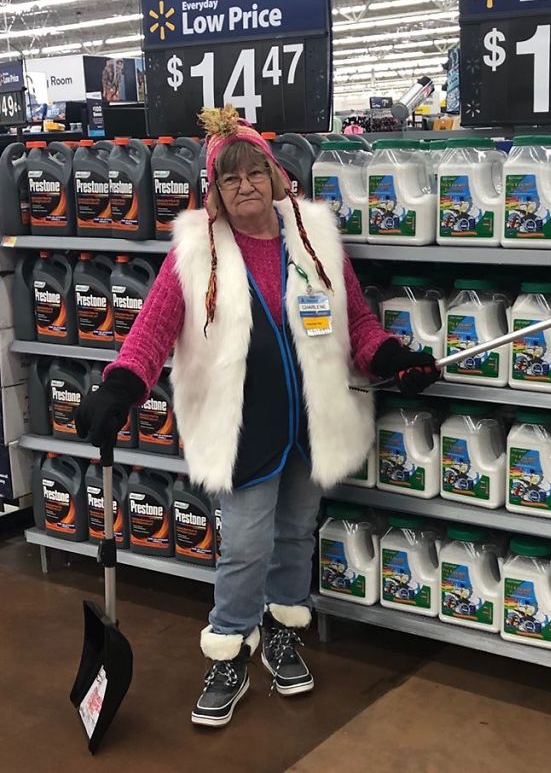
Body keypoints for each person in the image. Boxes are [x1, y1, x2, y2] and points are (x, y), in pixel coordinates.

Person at [76, 105, 439, 729]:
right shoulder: (196, 252)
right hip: (245, 429)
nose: (245, 187)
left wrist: (393, 357)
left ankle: (283, 629)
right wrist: (120, 387)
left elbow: (356, 321)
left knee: (297, 532)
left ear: (276, 177)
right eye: (230, 179)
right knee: (244, 545)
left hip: (312, 422)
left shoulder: (314, 240)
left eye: (255, 174)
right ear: (213, 191)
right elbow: (153, 329)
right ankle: (229, 647)